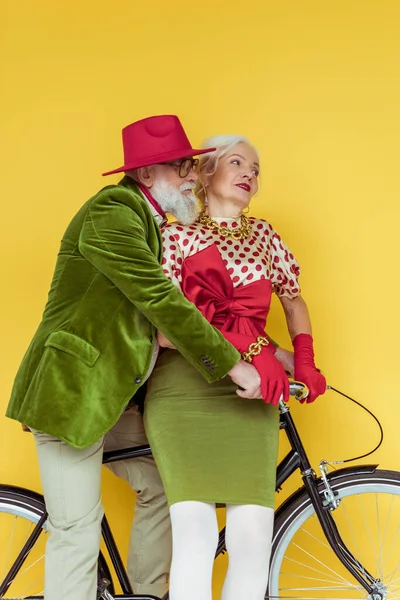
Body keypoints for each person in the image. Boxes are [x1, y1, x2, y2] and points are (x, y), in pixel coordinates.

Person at [5, 116, 269, 600]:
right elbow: (160, 300)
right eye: (181, 167)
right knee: (77, 529)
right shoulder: (114, 213)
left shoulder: (149, 221)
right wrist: (234, 363)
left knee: (164, 484)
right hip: (72, 394)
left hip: (109, 396)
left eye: (192, 165)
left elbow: (148, 318)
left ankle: (145, 594)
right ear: (147, 175)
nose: (192, 174)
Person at [144, 134, 326, 600]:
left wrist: (303, 362)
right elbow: (166, 331)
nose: (250, 173)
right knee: (197, 536)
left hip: (253, 395)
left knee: (251, 542)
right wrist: (246, 353)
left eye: (256, 168)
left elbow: (293, 299)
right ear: (205, 173)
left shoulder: (265, 235)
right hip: (187, 388)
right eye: (237, 162)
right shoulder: (174, 234)